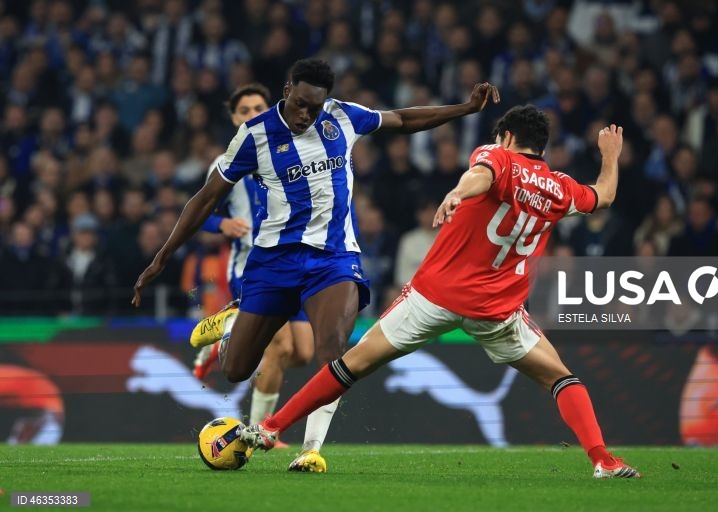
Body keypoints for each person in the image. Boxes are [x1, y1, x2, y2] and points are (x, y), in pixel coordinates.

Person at [239, 105, 641, 479]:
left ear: (505, 137)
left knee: (350, 365)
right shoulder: (559, 188)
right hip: (498, 311)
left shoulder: (497, 156)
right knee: (560, 377)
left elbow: (481, 175)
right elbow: (603, 196)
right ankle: (603, 459)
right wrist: (610, 154)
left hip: (435, 297)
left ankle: (272, 427)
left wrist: (457, 193)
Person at [132, 58, 499, 467]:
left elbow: (401, 119)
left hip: (334, 258)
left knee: (332, 352)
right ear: (287, 91)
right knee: (236, 370)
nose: (307, 115)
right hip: (275, 262)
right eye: (301, 104)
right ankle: (232, 324)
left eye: (315, 107)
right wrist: (163, 256)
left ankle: (311, 451)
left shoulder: (341, 116)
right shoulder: (254, 136)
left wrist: (465, 109)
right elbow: (205, 198)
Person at [189, 82, 322, 470]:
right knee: (278, 348)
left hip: (294, 263)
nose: (252, 115)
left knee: (302, 352)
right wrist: (221, 224)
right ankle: (261, 428)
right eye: (244, 110)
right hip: (252, 267)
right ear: (234, 118)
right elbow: (198, 211)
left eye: (258, 108)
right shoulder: (227, 162)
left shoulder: (292, 149)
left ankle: (228, 333)